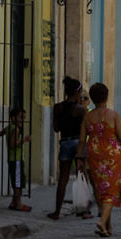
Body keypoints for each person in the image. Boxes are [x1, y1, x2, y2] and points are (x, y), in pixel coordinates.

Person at [77, 81, 121, 237]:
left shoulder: (88, 117)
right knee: (111, 191)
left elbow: (82, 140)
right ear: (106, 96)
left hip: (94, 155)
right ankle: (102, 221)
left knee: (101, 189)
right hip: (113, 156)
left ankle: (108, 227)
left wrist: (79, 158)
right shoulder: (113, 115)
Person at [47, 76, 90, 221]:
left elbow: (56, 128)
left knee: (63, 179)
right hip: (78, 144)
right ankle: (84, 210)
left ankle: (57, 211)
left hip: (65, 142)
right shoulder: (81, 110)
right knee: (82, 175)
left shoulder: (58, 107)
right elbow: (87, 129)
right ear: (77, 92)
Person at [0, 106, 32, 211]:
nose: (22, 121)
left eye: (23, 118)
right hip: (17, 160)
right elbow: (12, 144)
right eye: (21, 118)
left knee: (16, 182)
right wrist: (24, 140)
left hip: (12, 160)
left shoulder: (8, 128)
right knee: (18, 184)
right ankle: (18, 204)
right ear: (13, 118)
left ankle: (13, 203)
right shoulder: (15, 130)